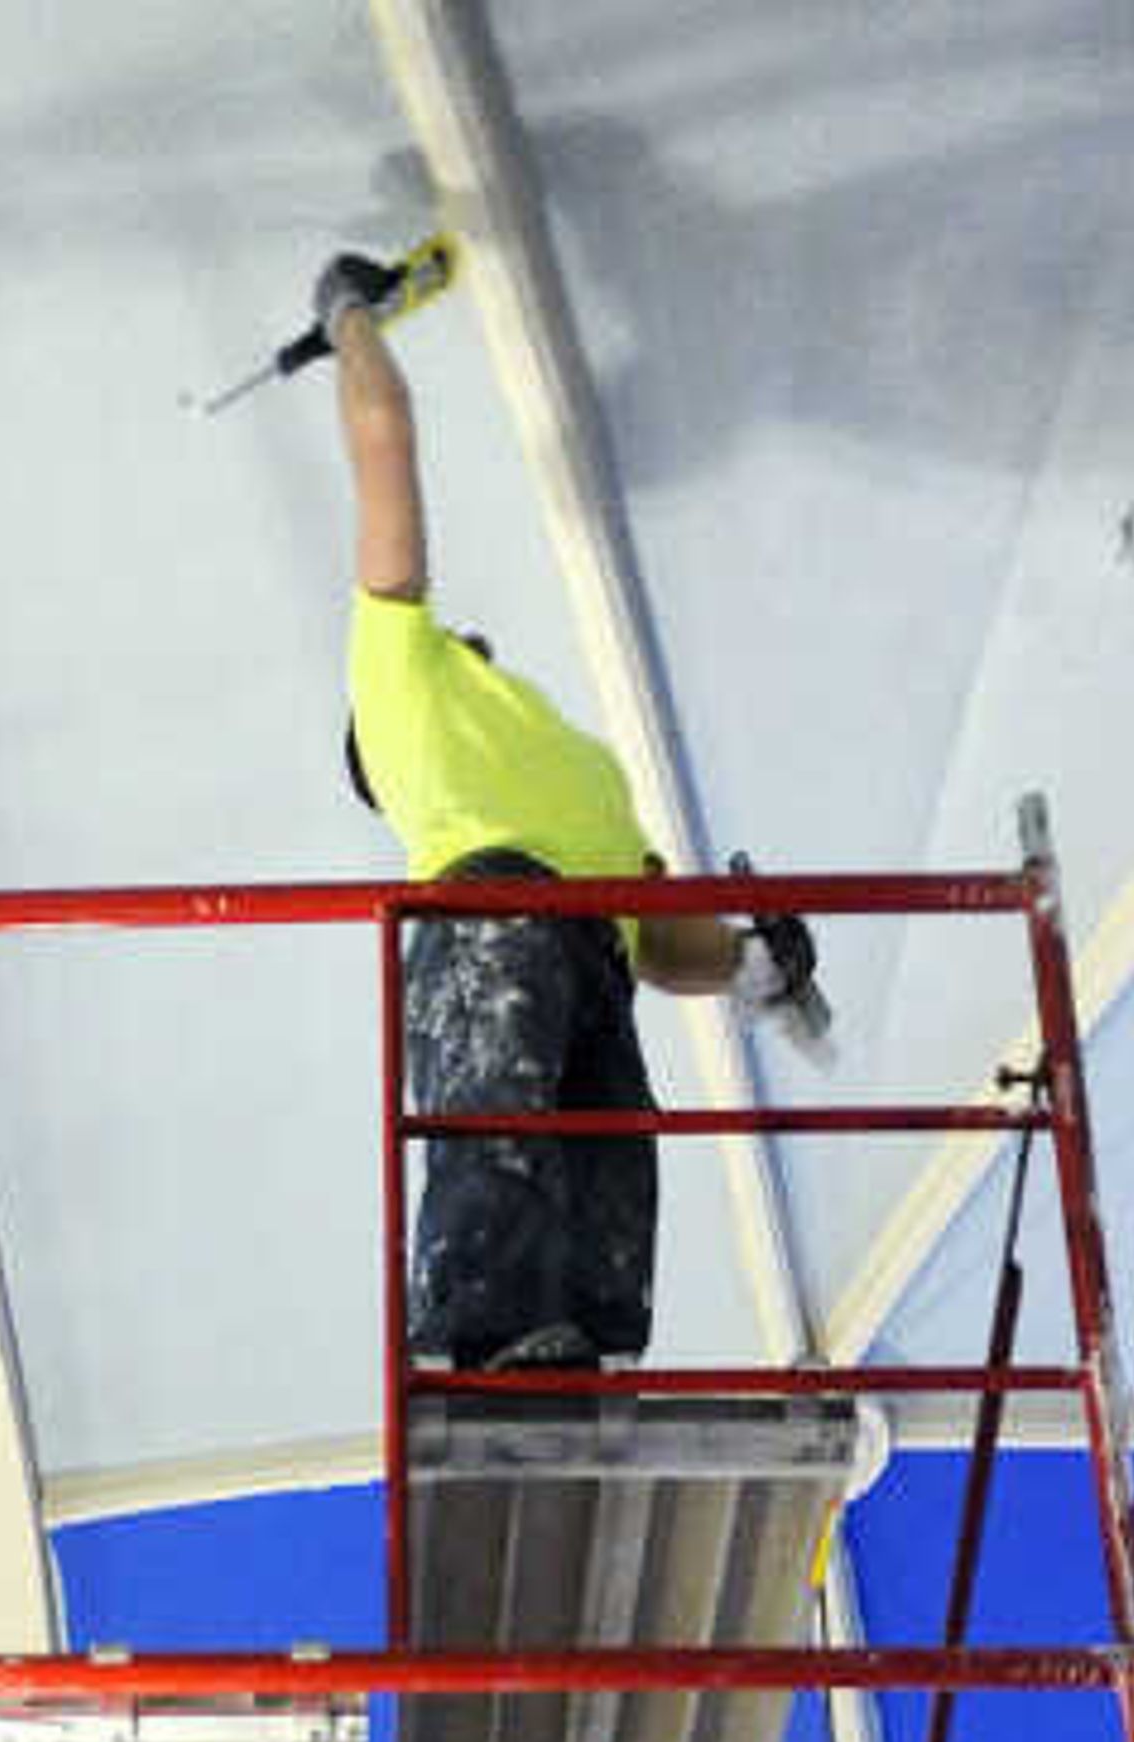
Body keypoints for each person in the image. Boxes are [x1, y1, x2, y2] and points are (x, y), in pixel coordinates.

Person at [321, 256, 818, 1376]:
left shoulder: (586, 774)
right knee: (496, 1122)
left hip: (585, 938)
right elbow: (383, 433)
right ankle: (489, 1345)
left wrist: (755, 966)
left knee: (609, 1156)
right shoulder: (397, 691)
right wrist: (347, 314)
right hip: (491, 907)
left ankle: (569, 1362)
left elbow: (661, 940)